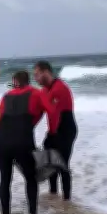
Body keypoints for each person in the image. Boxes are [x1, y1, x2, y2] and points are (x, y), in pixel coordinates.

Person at [0, 70, 47, 214]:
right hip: (23, 141)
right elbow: (48, 110)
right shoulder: (36, 93)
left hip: (2, 142)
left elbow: (0, 118)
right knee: (31, 178)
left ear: (15, 81)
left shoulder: (5, 96)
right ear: (28, 80)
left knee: (5, 179)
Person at [33, 60, 77, 200]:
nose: (35, 78)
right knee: (50, 165)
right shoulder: (44, 90)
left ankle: (66, 200)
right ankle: (53, 195)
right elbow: (39, 112)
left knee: (62, 165)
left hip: (66, 130)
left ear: (46, 72)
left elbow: (54, 113)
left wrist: (52, 136)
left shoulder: (60, 88)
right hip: (54, 131)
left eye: (37, 74)